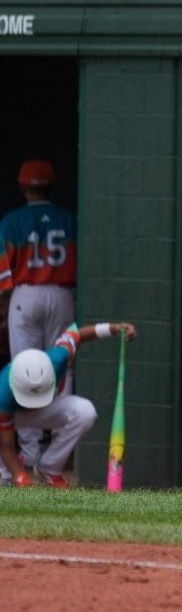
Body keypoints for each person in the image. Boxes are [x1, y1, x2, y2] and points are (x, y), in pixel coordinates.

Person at [0, 159, 77, 480]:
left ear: (22, 187)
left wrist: (4, 310)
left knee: (24, 367)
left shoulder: (12, 220)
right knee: (63, 364)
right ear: (52, 185)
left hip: (25, 293)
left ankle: (29, 450)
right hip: (61, 294)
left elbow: (4, 273)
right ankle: (58, 449)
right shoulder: (69, 219)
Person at [0, 320, 137, 488]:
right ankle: (5, 473)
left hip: (44, 409)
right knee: (7, 477)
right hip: (13, 414)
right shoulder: (4, 391)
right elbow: (6, 445)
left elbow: (77, 334)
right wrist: (22, 479)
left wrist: (112, 328)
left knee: (84, 411)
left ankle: (49, 469)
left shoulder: (59, 358)